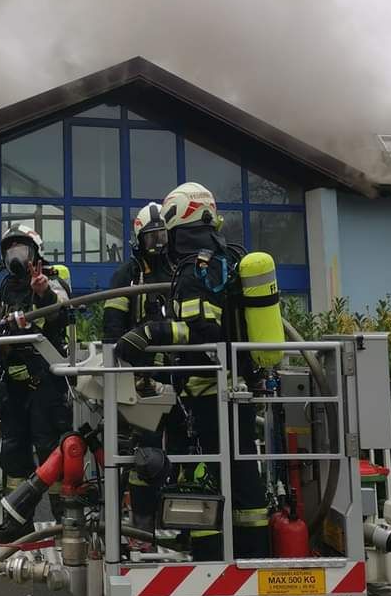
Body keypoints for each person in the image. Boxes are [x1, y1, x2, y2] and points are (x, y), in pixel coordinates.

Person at [116, 182, 269, 557]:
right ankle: (252, 553)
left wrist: (149, 332)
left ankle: (209, 558)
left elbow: (204, 333)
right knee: (243, 471)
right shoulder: (226, 257)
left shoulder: (194, 268)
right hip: (236, 386)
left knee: (202, 475)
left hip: (206, 391)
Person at [0, 224, 72, 516]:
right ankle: (19, 523)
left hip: (45, 384)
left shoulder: (51, 281)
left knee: (49, 449)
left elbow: (60, 313)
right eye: (11, 251)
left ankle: (62, 522)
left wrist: (42, 293)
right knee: (13, 454)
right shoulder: (5, 287)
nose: (17, 257)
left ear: (35, 254)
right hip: (12, 385)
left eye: (22, 251)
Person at [103, 203, 172, 532]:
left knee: (179, 450)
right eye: (151, 238)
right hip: (138, 385)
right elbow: (111, 331)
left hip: (176, 378)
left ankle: (172, 520)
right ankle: (139, 525)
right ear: (138, 240)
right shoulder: (126, 277)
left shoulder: (177, 273)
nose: (157, 245)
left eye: (162, 236)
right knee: (141, 454)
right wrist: (133, 372)